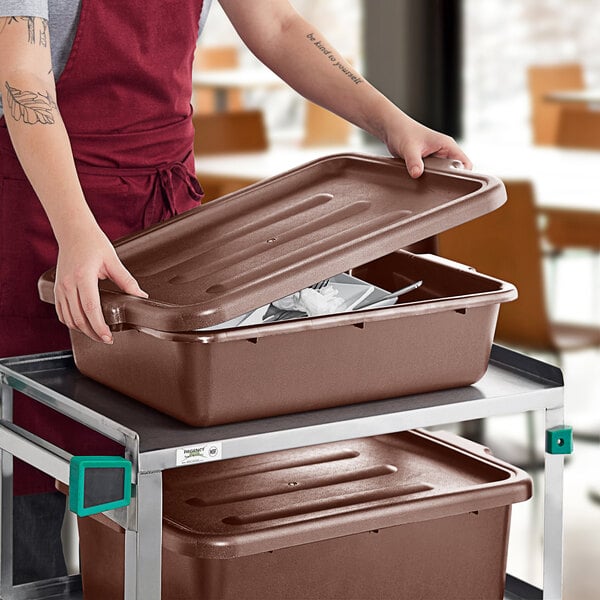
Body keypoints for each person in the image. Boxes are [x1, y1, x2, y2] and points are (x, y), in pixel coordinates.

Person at [0, 0, 472, 584]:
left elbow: (276, 25)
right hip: (41, 215)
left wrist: (389, 120)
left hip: (166, 225)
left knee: (168, 477)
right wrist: (74, 229)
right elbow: (22, 74)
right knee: (23, 471)